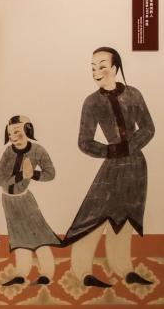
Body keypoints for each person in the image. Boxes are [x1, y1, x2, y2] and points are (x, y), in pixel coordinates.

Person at [63, 47, 155, 287]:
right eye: (93, 67)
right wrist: (111, 151)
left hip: (136, 166)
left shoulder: (133, 94)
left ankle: (124, 268)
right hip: (111, 167)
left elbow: (148, 128)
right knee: (93, 216)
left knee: (125, 218)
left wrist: (129, 147)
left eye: (102, 66)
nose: (96, 71)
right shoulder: (92, 102)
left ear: (114, 68)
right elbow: (84, 142)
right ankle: (83, 270)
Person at [0, 115, 60, 286]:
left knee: (40, 235)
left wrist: (33, 175)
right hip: (8, 201)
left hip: (25, 200)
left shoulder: (38, 150)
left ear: (28, 129)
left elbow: (50, 173)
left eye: (17, 131)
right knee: (18, 237)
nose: (13, 137)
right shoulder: (8, 152)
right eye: (10, 133)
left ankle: (47, 273)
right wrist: (20, 176)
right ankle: (21, 274)